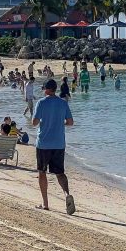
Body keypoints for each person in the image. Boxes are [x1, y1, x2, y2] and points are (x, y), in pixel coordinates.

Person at [32, 78, 75, 213]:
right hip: (59, 143)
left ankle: (45, 203)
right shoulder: (63, 103)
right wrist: (59, 123)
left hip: (44, 143)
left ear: (47, 89)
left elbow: (34, 122)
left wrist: (44, 120)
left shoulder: (41, 103)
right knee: (60, 173)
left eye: (44, 88)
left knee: (42, 172)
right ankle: (67, 194)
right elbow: (70, 122)